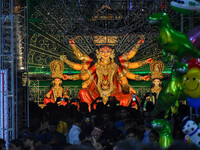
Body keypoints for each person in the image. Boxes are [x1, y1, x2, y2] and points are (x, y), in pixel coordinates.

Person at [60, 37, 153, 110]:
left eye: (108, 51)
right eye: (102, 51)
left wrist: (127, 87)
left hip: (114, 94)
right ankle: (89, 110)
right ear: (98, 53)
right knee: (82, 92)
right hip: (97, 94)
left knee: (131, 97)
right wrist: (70, 74)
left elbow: (123, 78)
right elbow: (84, 76)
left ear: (112, 53)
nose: (105, 53)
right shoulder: (96, 65)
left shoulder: (115, 66)